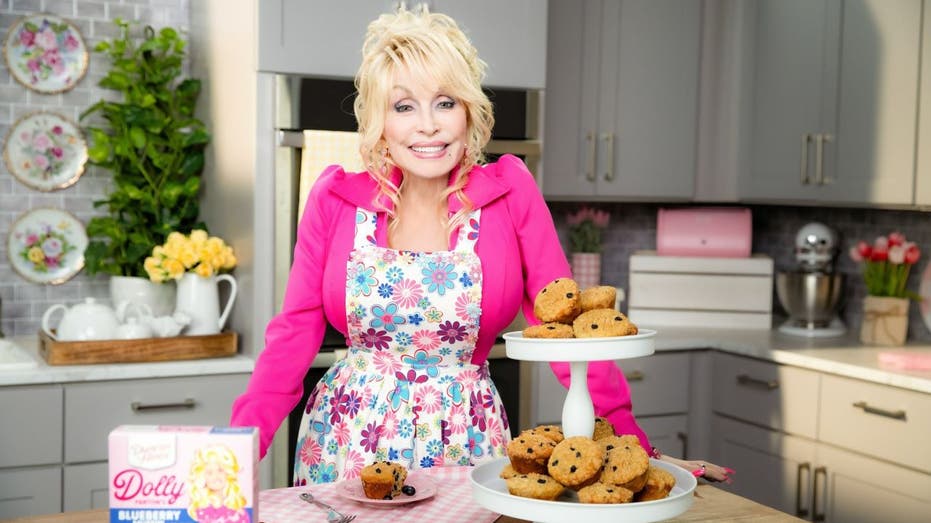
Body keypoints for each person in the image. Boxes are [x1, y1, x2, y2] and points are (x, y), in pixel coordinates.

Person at [231, 5, 732, 485]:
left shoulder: (508, 193)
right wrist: (238, 451)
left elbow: (568, 332)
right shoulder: (337, 198)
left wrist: (633, 447)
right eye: (404, 106)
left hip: (466, 442)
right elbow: (292, 335)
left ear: (469, 112)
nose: (428, 124)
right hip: (346, 443)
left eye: (445, 102)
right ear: (380, 122)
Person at [187, 445, 251, 523]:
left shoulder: (236, 506)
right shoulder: (202, 507)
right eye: (209, 473)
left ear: (227, 472)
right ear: (202, 477)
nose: (216, 476)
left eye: (220, 470)